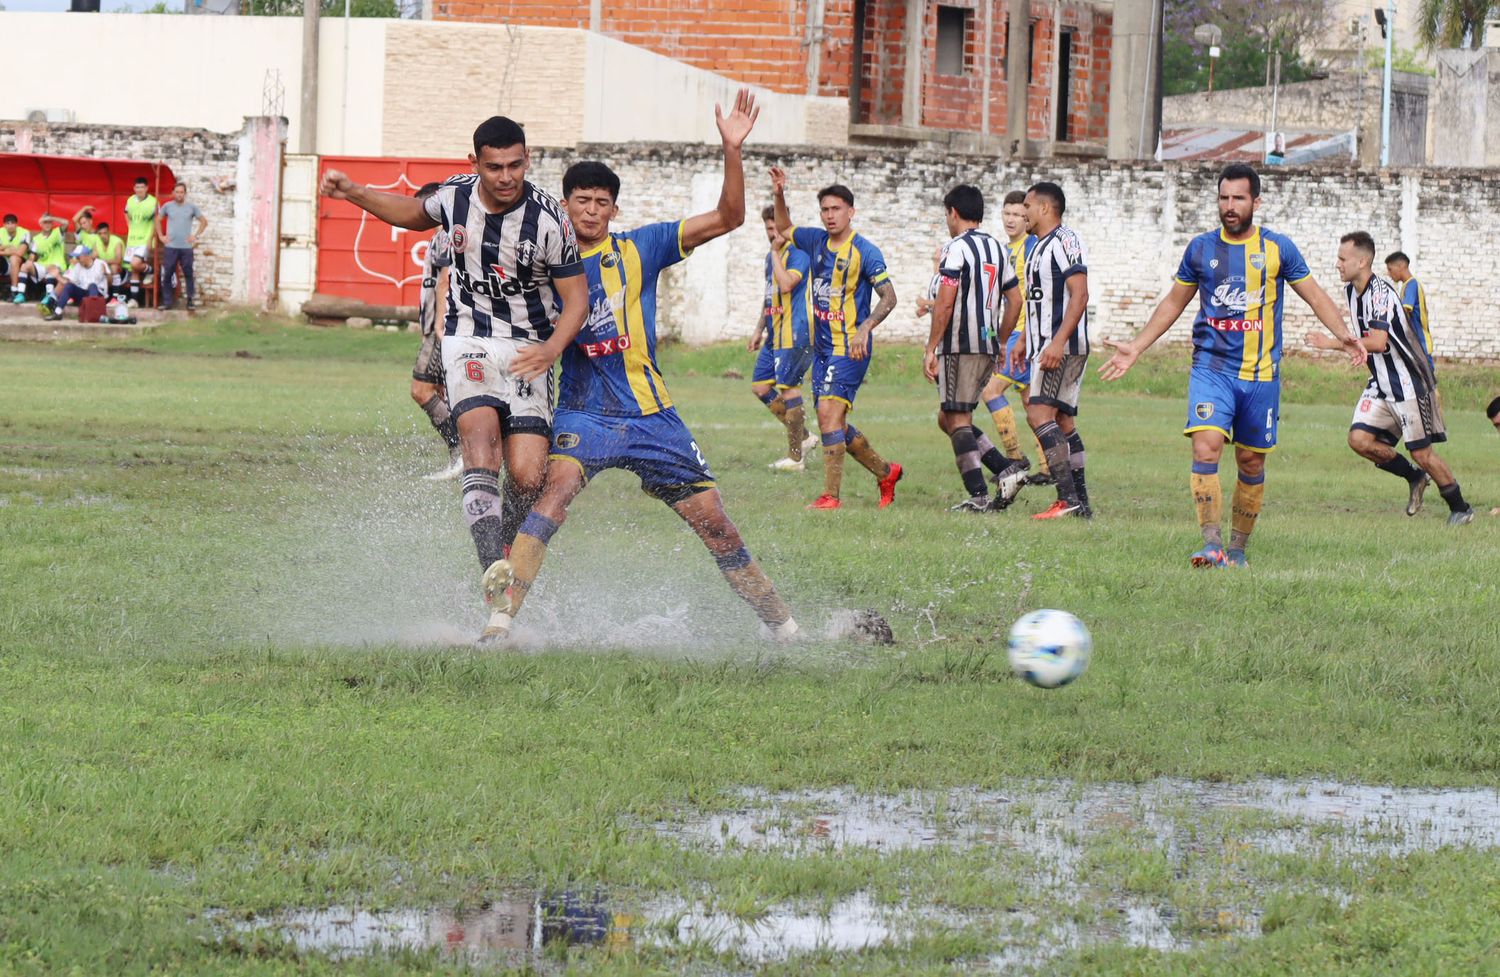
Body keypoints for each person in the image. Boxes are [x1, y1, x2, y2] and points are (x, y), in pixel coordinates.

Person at [482, 90, 799, 647]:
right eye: (581, 200)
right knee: (552, 498)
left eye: (601, 202)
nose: (590, 211)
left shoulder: (643, 247)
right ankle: (500, 624)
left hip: (655, 417)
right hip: (584, 415)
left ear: (614, 210)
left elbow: (730, 216)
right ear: (565, 204)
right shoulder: (541, 259)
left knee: (716, 523)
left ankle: (787, 629)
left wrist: (731, 149)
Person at [320, 116, 589, 644]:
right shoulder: (455, 198)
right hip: (467, 340)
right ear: (475, 164)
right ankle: (494, 570)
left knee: (530, 474)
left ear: (527, 159)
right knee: (479, 441)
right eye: (495, 167)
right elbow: (409, 212)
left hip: (528, 351)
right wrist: (352, 191)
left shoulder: (551, 220)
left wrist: (552, 348)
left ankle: (503, 545)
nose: (506, 176)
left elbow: (575, 298)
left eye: (515, 165)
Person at [1099, 163, 1366, 567]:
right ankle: (1211, 543)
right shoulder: (1201, 249)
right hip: (1212, 369)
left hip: (1261, 376)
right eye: (1223, 198)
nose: (1229, 206)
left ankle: (1237, 550)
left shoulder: (1278, 249)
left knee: (1250, 461)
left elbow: (1314, 295)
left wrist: (1343, 334)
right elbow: (1175, 301)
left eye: (1238, 198)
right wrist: (1137, 346)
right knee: (1206, 447)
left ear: (1255, 202)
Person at [1309, 231, 1474, 526]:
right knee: (1359, 440)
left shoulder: (1382, 293)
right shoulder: (1351, 292)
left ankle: (1460, 507)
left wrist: (1331, 343)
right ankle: (1414, 477)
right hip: (1382, 383)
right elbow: (1366, 343)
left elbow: (1378, 341)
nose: (1337, 264)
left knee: (1422, 452)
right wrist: (1356, 350)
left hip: (1410, 383)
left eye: (1342, 258)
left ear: (1362, 261)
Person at [770, 169, 903, 510]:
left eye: (836, 209)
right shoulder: (815, 241)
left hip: (851, 348)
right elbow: (784, 228)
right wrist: (780, 194)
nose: (830, 216)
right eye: (825, 210)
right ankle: (885, 473)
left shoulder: (865, 251)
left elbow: (889, 297)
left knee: (828, 417)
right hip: (823, 349)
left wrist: (865, 327)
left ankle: (830, 497)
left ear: (850, 212)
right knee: (836, 425)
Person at [923, 184, 1023, 512]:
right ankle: (1007, 469)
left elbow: (945, 302)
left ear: (953, 213)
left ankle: (979, 496)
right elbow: (1015, 299)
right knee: (948, 417)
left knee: (957, 417)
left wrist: (931, 347)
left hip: (959, 345)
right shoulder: (998, 249)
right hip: (985, 344)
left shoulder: (955, 248)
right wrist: (1002, 339)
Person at [998, 181, 1092, 520]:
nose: (1023, 211)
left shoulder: (1065, 241)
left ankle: (1066, 499)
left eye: (1027, 205)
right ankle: (1081, 505)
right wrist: (1024, 339)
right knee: (1063, 421)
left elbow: (1079, 295)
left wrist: (1056, 342)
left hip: (1061, 346)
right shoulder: (1038, 246)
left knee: (1039, 414)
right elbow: (1039, 301)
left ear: (1044, 208)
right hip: (1048, 344)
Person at [980, 190, 1048, 484]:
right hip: (1010, 335)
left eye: (1018, 214)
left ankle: (1015, 458)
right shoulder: (1004, 251)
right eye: (1006, 213)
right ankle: (1048, 467)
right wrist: (992, 335)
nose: (1011, 219)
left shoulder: (1032, 246)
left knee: (991, 391)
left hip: (1024, 336)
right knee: (1031, 404)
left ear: (1027, 217)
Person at [748, 204, 815, 472]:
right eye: (767, 228)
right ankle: (807, 436)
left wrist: (776, 252)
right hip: (775, 331)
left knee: (789, 388)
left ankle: (795, 458)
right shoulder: (771, 257)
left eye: (775, 227)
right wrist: (758, 328)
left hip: (796, 329)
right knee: (761, 387)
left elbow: (787, 284)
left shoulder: (798, 253)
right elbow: (770, 295)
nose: (771, 233)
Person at [408, 181, 463, 481]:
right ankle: (463, 454)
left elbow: (445, 282)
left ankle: (463, 450)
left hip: (443, 330)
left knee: (421, 390)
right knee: (444, 393)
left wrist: (441, 331)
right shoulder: (440, 237)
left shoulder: (447, 234)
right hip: (436, 329)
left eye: (422, 209)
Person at [1383, 251, 1435, 375]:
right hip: (1415, 343)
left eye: (1390, 269)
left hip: (1420, 343)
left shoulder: (1412, 285)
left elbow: (1404, 311)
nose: (1389, 274)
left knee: (1427, 382)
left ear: (1401, 266)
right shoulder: (1407, 286)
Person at [156, 183, 207, 310]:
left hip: (186, 248)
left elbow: (204, 222)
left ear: (185, 193)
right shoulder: (167, 206)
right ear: (173, 193)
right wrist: (161, 236)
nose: (179, 194)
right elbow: (157, 220)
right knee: (167, 273)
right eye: (177, 192)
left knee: (188, 273)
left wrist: (195, 236)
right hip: (171, 247)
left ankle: (190, 300)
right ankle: (167, 302)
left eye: (181, 192)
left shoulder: (191, 207)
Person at [40, 246, 109, 321]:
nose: (77, 260)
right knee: (69, 286)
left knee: (92, 286)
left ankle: (92, 313)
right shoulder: (77, 266)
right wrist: (57, 276)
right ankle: (58, 312)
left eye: (79, 257)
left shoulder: (100, 263)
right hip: (84, 296)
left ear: (86, 256)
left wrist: (106, 273)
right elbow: (67, 283)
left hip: (98, 297)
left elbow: (110, 280)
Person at [30, 215, 69, 305]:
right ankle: (19, 293)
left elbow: (66, 223)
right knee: (25, 266)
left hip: (57, 265)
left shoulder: (57, 232)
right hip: (42, 266)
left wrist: (52, 218)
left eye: (49, 222)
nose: (47, 224)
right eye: (45, 222)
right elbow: (32, 256)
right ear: (40, 224)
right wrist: (30, 263)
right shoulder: (36, 238)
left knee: (51, 268)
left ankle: (49, 296)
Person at [0, 214, 34, 304]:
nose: (10, 225)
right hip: (5, 264)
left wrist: (4, 249)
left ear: (17, 224)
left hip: (22, 264)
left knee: (14, 258)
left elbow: (20, 253)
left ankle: (14, 291)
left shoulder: (24, 232)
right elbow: (16, 250)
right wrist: (9, 247)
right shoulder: (1, 232)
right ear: (4, 225)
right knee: (12, 257)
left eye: (12, 223)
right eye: (8, 223)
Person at [124, 177, 159, 260]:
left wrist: (151, 239)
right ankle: (146, 271)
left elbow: (157, 222)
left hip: (145, 241)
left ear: (146, 188)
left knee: (135, 264)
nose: (140, 190)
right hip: (132, 240)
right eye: (137, 187)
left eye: (142, 187)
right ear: (134, 188)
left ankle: (150, 269)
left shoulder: (153, 202)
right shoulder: (130, 200)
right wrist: (129, 225)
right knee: (130, 269)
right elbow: (125, 212)